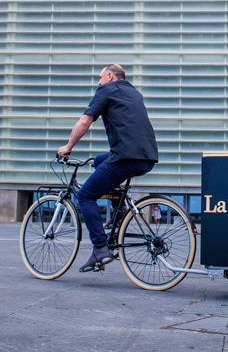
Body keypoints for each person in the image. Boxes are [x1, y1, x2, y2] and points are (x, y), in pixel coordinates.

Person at [58, 63, 158, 272]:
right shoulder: (134, 93)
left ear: (110, 76)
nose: (98, 82)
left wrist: (68, 147)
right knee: (98, 161)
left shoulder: (106, 90)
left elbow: (85, 120)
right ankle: (119, 207)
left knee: (85, 195)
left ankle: (100, 249)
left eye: (100, 77)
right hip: (147, 157)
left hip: (125, 158)